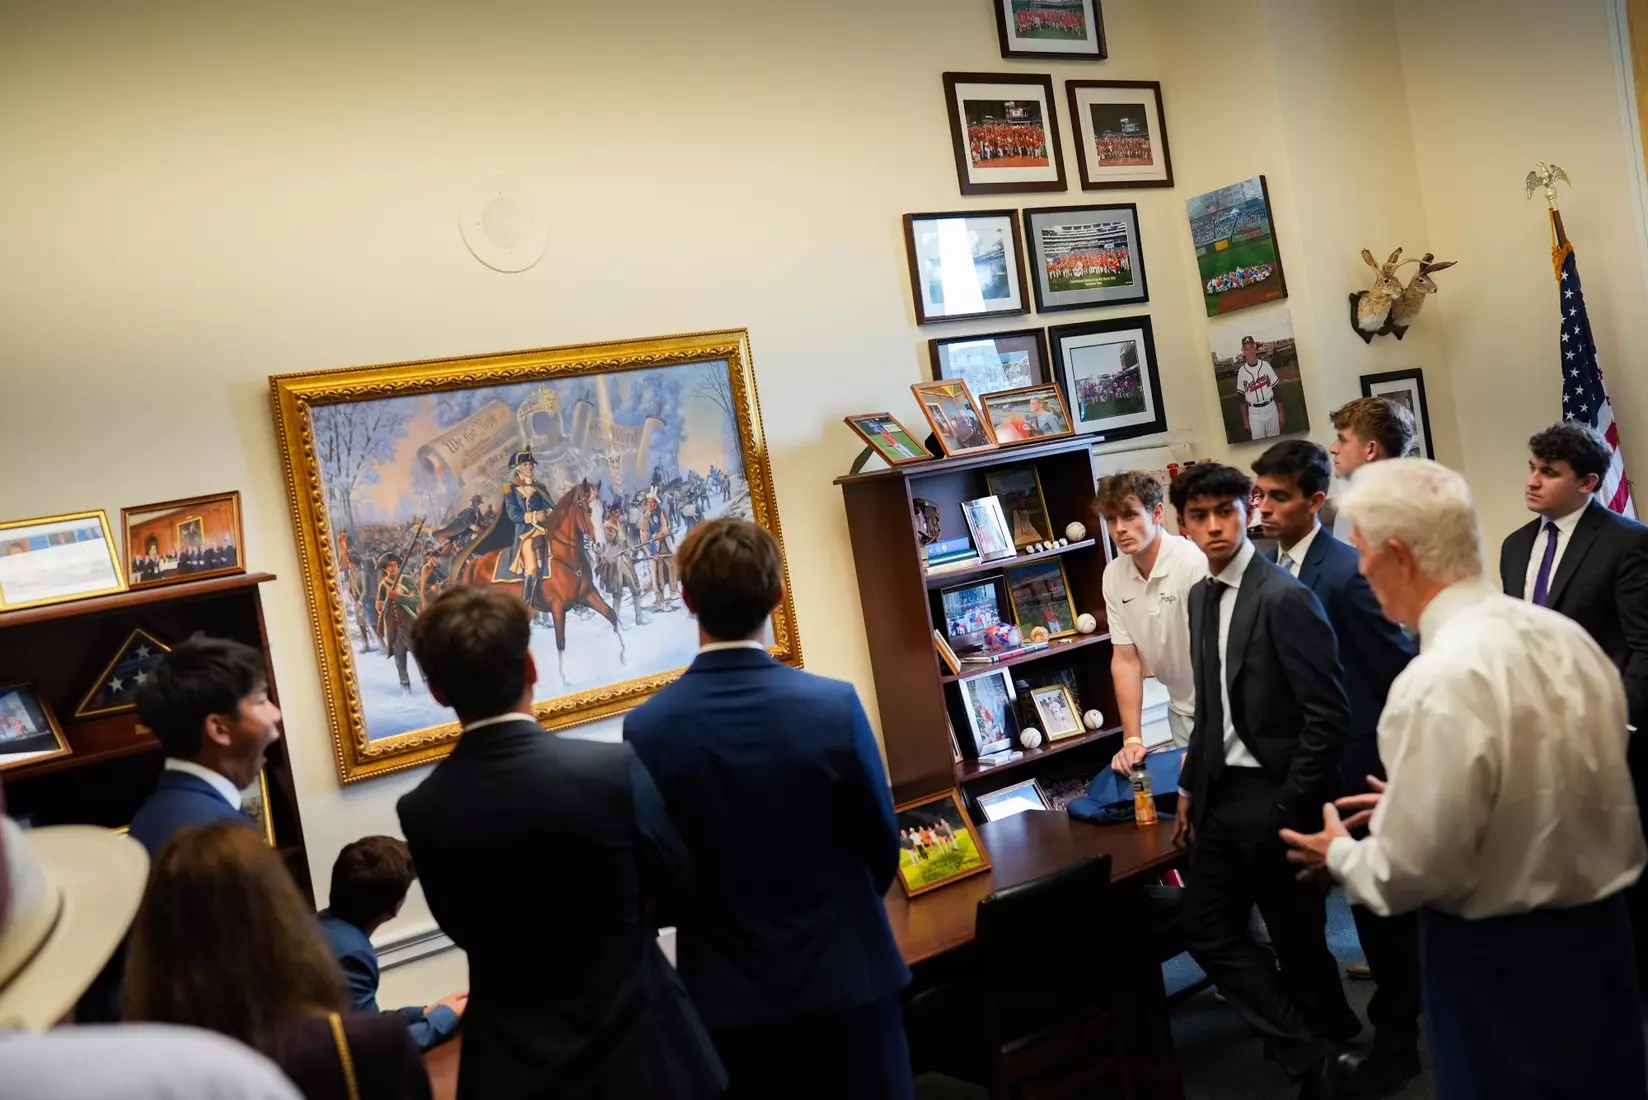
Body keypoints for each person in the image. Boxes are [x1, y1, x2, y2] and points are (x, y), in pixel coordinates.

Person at [1281, 459, 1648, 1100]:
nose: (1360, 570)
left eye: (1363, 553)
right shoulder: (1567, 639)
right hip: (1606, 948)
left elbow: (1417, 873)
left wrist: (1341, 853)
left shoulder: (1433, 683)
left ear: (1397, 555)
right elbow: (1559, 779)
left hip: (1501, 965)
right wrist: (1428, 792)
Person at [398, 585, 723, 1100]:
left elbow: (462, 927)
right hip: (643, 1054)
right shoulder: (610, 772)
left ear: (437, 691)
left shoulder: (420, 810)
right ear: (531, 666)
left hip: (514, 1070)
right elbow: (682, 886)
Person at [624, 518, 911, 1100]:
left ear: (685, 599)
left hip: (730, 998)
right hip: (849, 976)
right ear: (778, 596)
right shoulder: (832, 706)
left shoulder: (649, 728)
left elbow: (658, 869)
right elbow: (882, 843)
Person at [1169, 463, 1355, 1098]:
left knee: (1298, 941)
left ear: (1248, 509)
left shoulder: (1283, 595)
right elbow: (1210, 705)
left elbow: (1327, 716)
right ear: (1183, 524)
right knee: (1206, 928)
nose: (1216, 525)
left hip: (1277, 794)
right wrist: (1191, 785)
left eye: (1226, 510)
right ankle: (1311, 1054)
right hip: (1220, 794)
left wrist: (1287, 804)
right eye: (1200, 515)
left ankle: (1330, 1051)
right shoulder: (1200, 596)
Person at [1253, 440, 1422, 1098]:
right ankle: (1324, 1025)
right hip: (1298, 765)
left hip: (1357, 759)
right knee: (1300, 904)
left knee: (1379, 910)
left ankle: (1399, 1037)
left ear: (1315, 501)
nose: (1261, 508)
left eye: (1278, 496)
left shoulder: (1346, 572)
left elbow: (1394, 671)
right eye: (1258, 494)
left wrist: (1399, 765)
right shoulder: (1265, 570)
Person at [125, 823, 432, 1100]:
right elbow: (360, 1042)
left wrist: (418, 1013)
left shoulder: (144, 1067)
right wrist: (436, 1019)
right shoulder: (357, 1041)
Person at [1497, 421, 1648, 985]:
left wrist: (1620, 726)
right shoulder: (1515, 546)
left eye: (1549, 473)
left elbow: (1644, 647)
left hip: (1612, 734)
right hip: (1540, 737)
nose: (1533, 482)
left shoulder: (1628, 541)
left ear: (1587, 482)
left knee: (1625, 872)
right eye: (1532, 468)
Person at [1098, 471, 1207, 774]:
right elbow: (1125, 660)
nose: (1119, 529)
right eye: (1111, 519)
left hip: (1232, 715)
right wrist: (1132, 738)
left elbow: (1225, 652)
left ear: (1157, 513)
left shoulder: (1194, 563)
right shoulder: (1113, 575)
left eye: (1130, 516)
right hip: (1181, 710)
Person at [316, 836, 466, 1051]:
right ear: (395, 907)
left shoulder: (321, 927)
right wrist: (442, 1018)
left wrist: (424, 1013)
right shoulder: (352, 954)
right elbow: (374, 1047)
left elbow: (360, 1021)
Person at [1324, 397, 1415, 538]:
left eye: (1342, 440)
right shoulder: (1348, 512)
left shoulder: (1409, 517)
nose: (1333, 448)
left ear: (1371, 450)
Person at [375, 553, 419, 693]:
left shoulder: (407, 580)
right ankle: (405, 686)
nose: (393, 568)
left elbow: (416, 600)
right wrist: (379, 606)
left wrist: (397, 597)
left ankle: (429, 684)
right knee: (400, 659)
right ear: (385, 569)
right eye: (389, 565)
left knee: (419, 656)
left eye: (395, 564)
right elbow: (381, 604)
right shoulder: (383, 585)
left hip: (409, 625)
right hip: (394, 627)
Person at [1235, 336, 1283, 441]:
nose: (1250, 351)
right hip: (1254, 413)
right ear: (1244, 352)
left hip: (1271, 409)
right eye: (1247, 349)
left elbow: (1276, 390)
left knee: (1275, 443)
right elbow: (1241, 398)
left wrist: (1281, 413)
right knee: (1258, 443)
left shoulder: (1266, 366)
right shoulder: (1242, 372)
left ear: (1255, 349)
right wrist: (1245, 420)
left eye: (1252, 347)